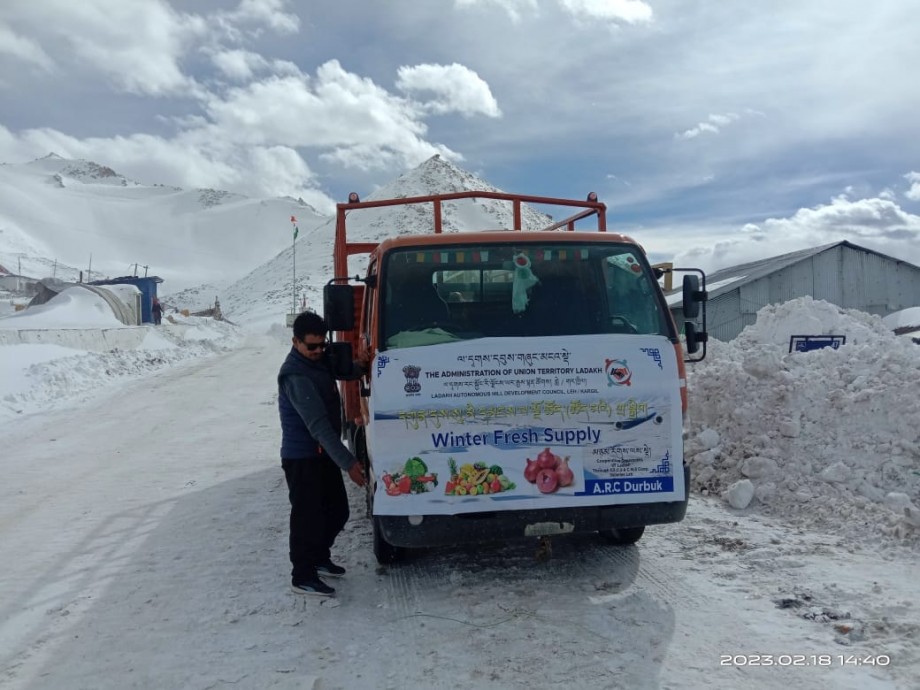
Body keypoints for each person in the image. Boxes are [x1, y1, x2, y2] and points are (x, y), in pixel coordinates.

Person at [277, 311, 369, 597]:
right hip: (303, 457)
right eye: (311, 346)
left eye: (322, 345)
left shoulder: (321, 360)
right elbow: (318, 426)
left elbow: (344, 370)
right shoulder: (295, 374)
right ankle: (302, 575)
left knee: (337, 511)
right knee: (307, 517)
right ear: (295, 342)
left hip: (322, 454)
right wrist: (349, 463)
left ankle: (319, 557)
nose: (318, 351)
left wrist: (363, 365)